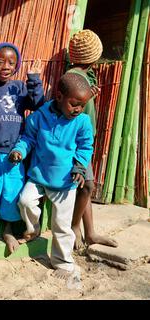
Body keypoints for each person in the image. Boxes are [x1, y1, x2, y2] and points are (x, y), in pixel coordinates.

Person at [10, 72, 94, 279]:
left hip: (67, 181)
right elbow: (28, 138)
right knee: (25, 201)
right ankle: (34, 229)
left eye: (82, 105)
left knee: (62, 225)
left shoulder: (82, 122)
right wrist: (19, 150)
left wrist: (80, 167)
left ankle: (63, 263)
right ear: (59, 97)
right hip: (38, 175)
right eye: (74, 104)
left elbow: (85, 146)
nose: (78, 109)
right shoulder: (39, 116)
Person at [0, 43, 44, 254]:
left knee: (12, 194)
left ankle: (8, 230)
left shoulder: (20, 87)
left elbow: (38, 104)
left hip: (15, 154)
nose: (6, 66)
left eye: (11, 62)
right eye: (0, 62)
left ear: (17, 66)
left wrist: (33, 79)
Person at [67, 29, 118, 250]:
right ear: (95, 56)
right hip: (76, 140)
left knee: (86, 185)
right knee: (87, 184)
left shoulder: (84, 76)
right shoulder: (73, 78)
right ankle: (75, 225)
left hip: (84, 138)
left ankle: (91, 233)